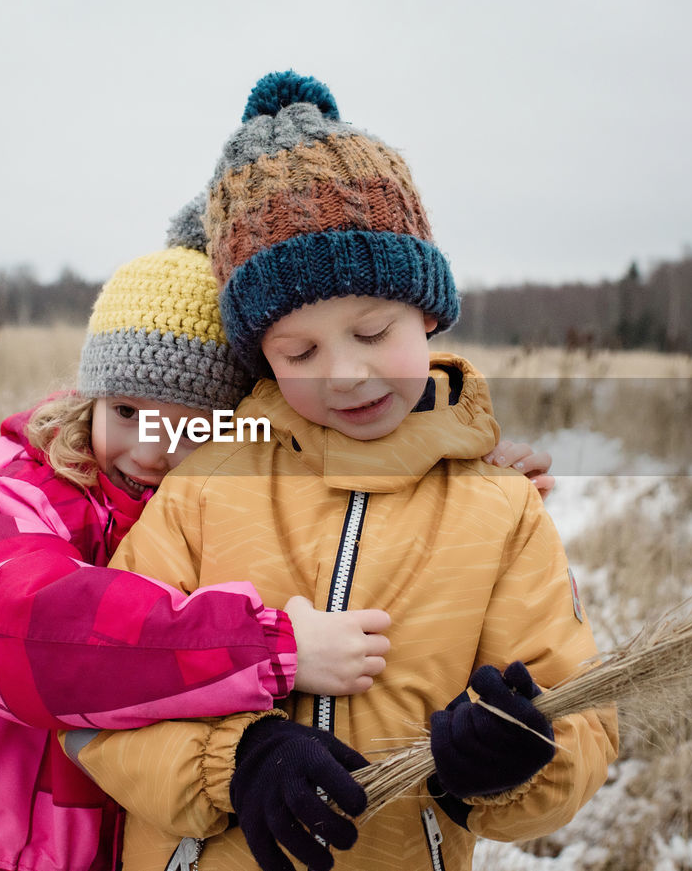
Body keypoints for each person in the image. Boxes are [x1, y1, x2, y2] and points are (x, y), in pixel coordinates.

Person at [0, 201, 550, 871]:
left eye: (190, 425)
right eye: (126, 410)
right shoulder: (23, 494)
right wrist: (272, 648)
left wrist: (452, 462)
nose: (149, 447)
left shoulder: (205, 508)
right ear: (90, 396)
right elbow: (25, 632)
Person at [64, 71, 619, 871]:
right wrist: (234, 758)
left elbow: (582, 719)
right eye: (301, 351)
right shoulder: (203, 489)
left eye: (372, 330)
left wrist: (514, 762)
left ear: (428, 310)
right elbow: (95, 695)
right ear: (261, 354)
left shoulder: (500, 510)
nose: (347, 374)